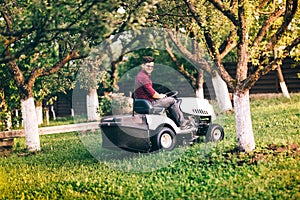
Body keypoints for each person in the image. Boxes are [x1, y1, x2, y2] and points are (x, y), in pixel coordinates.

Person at [134, 56, 190, 128]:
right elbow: (153, 95)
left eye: (152, 66)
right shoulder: (143, 77)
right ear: (143, 65)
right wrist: (160, 96)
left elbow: (150, 91)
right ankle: (181, 122)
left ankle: (174, 122)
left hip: (145, 102)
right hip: (150, 103)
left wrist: (160, 95)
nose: (150, 68)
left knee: (167, 99)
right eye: (148, 66)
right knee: (173, 100)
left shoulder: (141, 75)